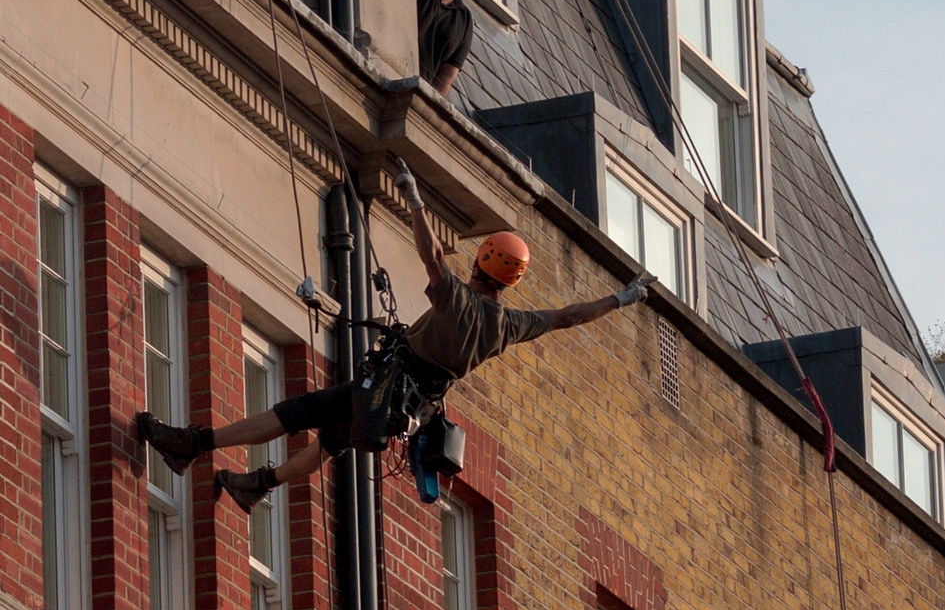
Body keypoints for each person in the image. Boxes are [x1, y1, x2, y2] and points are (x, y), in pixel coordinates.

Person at [137, 160, 655, 513]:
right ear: (511, 279)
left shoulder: (454, 295)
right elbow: (567, 316)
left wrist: (412, 198)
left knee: (295, 413)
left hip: (386, 386)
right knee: (331, 442)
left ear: (480, 262)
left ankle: (193, 445)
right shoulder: (508, 325)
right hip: (409, 408)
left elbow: (430, 254)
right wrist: (621, 298)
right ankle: (257, 486)